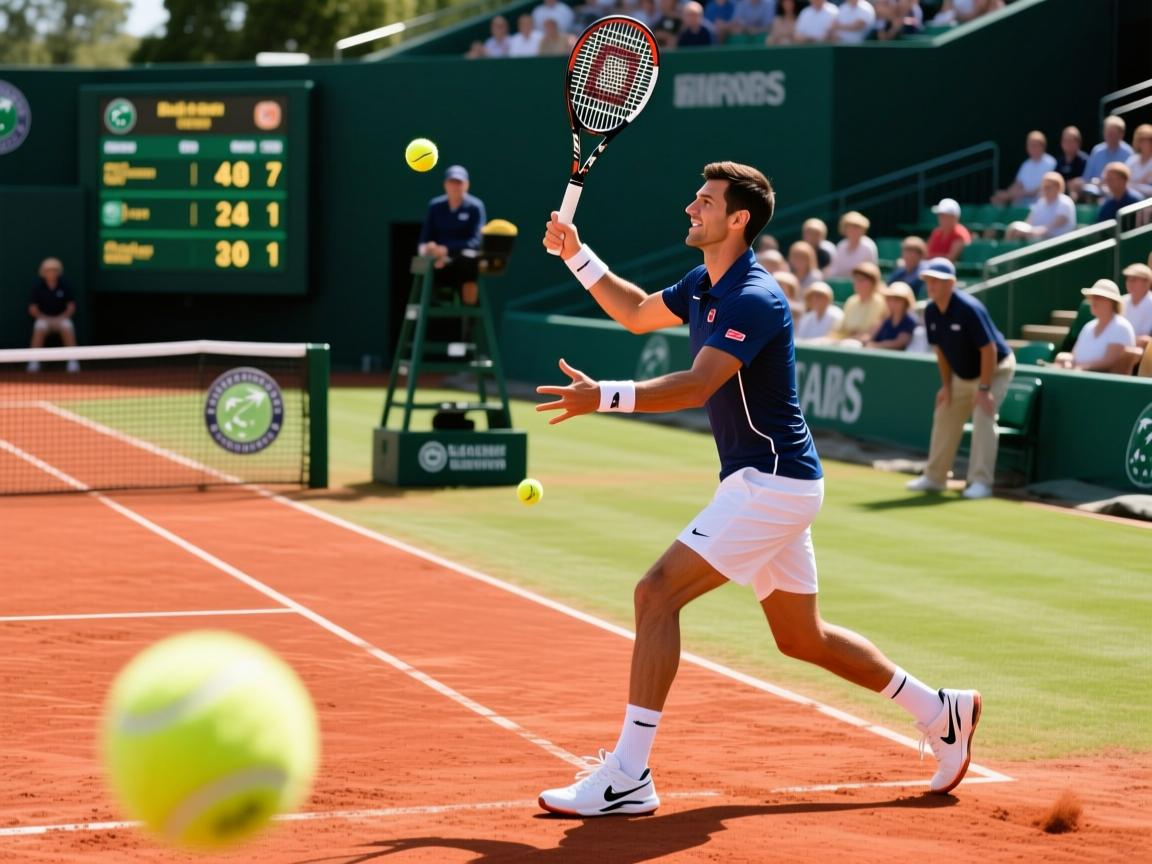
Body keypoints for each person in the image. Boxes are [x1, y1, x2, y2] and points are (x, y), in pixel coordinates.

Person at [536, 161, 983, 817]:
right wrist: (578, 256)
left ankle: (628, 774)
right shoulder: (703, 282)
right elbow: (633, 312)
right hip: (775, 481)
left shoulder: (755, 296)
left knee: (655, 594)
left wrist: (604, 394)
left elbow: (698, 384)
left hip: (771, 483)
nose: (691, 208)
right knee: (801, 638)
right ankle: (941, 710)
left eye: (705, 201)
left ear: (737, 218)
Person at [906, 257, 1015, 500]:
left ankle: (981, 482)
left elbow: (989, 350)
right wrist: (946, 386)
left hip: (995, 369)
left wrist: (984, 389)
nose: (931, 285)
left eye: (937, 281)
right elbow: (941, 352)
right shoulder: (931, 311)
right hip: (963, 374)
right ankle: (935, 478)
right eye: (928, 280)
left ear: (951, 284)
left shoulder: (969, 308)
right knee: (944, 412)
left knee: (983, 416)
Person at [418, 165, 487, 314]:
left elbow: (476, 241)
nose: (455, 186)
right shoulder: (435, 206)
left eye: (459, 182)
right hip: (436, 261)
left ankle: (468, 315)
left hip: (463, 262)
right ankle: (431, 303)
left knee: (469, 259)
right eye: (452, 182)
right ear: (445, 185)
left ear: (466, 185)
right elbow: (425, 240)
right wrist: (431, 250)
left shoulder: (475, 207)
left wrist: (447, 249)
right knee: (420, 263)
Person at [1053, 280, 1136, 374]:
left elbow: (1110, 362)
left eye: (1099, 297)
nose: (1093, 301)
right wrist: (1065, 360)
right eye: (1093, 297)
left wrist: (1080, 368)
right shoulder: (1088, 326)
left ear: (1112, 302)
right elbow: (1074, 355)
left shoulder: (1121, 326)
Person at [27, 257, 79, 373]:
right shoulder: (38, 287)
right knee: (39, 327)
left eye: (54, 270)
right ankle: (34, 361)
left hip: (61, 319)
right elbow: (33, 309)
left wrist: (59, 318)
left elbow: (71, 307)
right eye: (48, 270)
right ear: (43, 272)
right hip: (44, 319)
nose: (51, 272)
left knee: (67, 326)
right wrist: (47, 319)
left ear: (58, 272)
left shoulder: (65, 286)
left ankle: (73, 361)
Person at [990, 131, 1057, 207]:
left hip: (1041, 203)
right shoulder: (1026, 164)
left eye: (1034, 145)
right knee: (998, 200)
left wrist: (1022, 193)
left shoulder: (1051, 163)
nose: (1032, 148)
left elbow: (1045, 187)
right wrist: (1006, 194)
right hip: (1023, 201)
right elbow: (1018, 184)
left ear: (1042, 146)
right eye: (1030, 145)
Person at [1004, 172, 1076, 241]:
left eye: (1048, 187)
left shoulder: (1065, 203)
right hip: (1038, 239)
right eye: (1043, 186)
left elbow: (1050, 228)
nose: (1045, 189)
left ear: (1058, 187)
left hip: (1057, 243)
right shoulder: (1041, 202)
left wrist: (1032, 232)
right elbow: (1028, 223)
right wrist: (1018, 229)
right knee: (1014, 229)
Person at [1075, 115, 1134, 200]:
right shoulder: (1097, 151)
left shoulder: (1128, 153)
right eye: (1108, 133)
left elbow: (1129, 181)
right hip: (1096, 192)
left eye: (1113, 134)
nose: (1110, 136)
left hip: (1118, 194)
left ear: (1121, 134)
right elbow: (1086, 178)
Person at [833, 261, 887, 342]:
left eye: (862, 280)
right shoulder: (851, 300)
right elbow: (840, 328)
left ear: (873, 283)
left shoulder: (881, 302)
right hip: (843, 340)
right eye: (856, 279)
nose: (857, 283)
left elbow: (869, 334)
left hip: (860, 344)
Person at [864, 282, 918, 350]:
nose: (892, 303)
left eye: (897, 300)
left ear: (906, 302)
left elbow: (900, 343)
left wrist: (876, 346)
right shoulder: (885, 318)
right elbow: (870, 336)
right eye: (889, 299)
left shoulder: (910, 320)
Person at [825, 210, 878, 278]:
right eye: (849, 227)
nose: (853, 230)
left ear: (863, 229)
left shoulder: (868, 246)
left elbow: (870, 271)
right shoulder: (841, 245)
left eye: (857, 227)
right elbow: (834, 269)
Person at [925, 198, 971, 262]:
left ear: (954, 217)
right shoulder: (936, 232)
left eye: (944, 216)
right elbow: (926, 254)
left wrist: (931, 258)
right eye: (940, 215)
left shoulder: (960, 234)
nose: (940, 218)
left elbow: (950, 258)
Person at [1121, 262, 1152, 348]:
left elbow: (1146, 340)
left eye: (1134, 279)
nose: (1129, 283)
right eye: (1128, 279)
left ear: (1147, 282)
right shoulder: (1122, 301)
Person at [1054, 126, 1089, 191]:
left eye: (1070, 141)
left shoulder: (1085, 161)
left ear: (1078, 143)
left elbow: (1086, 180)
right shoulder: (1060, 161)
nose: (1067, 144)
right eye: (1065, 141)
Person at [1125, 124, 1152, 199]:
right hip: (1131, 200)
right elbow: (1124, 183)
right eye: (1142, 140)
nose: (1146, 143)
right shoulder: (1132, 160)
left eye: (1149, 140)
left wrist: (1134, 186)